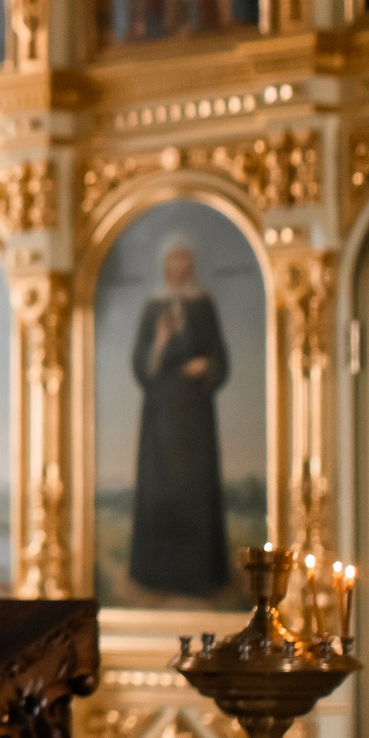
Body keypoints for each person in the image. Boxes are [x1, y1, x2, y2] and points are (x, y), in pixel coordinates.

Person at [127, 235, 231, 599]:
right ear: (165, 265)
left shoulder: (203, 305)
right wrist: (159, 343)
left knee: (195, 491)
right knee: (161, 489)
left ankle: (200, 577)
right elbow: (141, 365)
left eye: (186, 261)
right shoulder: (153, 307)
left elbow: (221, 358)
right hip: (160, 415)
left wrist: (206, 365)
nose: (180, 268)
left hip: (195, 413)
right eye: (174, 261)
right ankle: (156, 577)